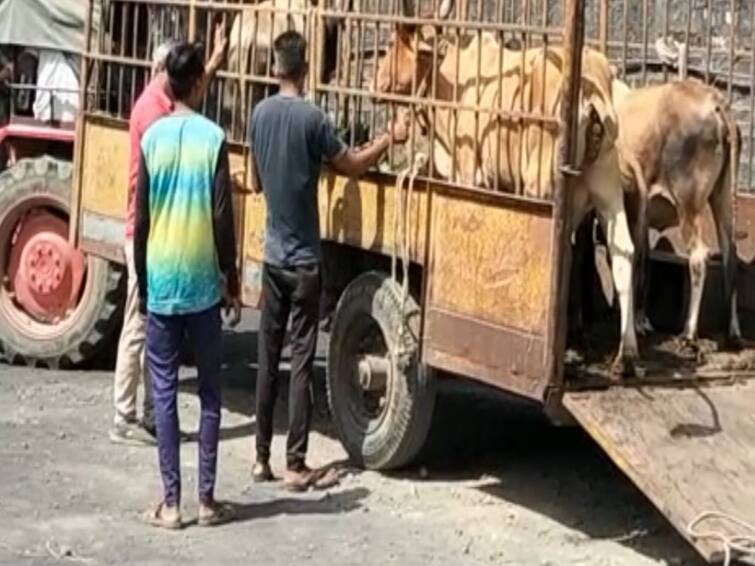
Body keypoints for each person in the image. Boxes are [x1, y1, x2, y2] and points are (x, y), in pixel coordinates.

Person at [249, 30, 409, 491]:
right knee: (301, 362)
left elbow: (256, 182)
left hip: (272, 257)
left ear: (274, 67)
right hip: (304, 262)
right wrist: (388, 138)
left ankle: (261, 458)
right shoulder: (314, 119)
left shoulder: (259, 114)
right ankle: (296, 464)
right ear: (305, 68)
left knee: (267, 357)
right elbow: (353, 165)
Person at [134, 41, 242, 529]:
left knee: (164, 393)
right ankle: (207, 500)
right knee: (211, 395)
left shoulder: (152, 138)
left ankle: (171, 504)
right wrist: (231, 278)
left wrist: (142, 279)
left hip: (161, 279)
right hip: (202, 284)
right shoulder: (213, 138)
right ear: (199, 82)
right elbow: (223, 217)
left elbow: (143, 218)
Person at [110, 27, 227, 446]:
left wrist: (212, 63)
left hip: (154, 232)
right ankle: (125, 413)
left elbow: (188, 99)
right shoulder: (152, 112)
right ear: (163, 69)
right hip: (147, 234)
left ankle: (149, 413)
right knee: (139, 324)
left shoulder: (160, 102)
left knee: (154, 329)